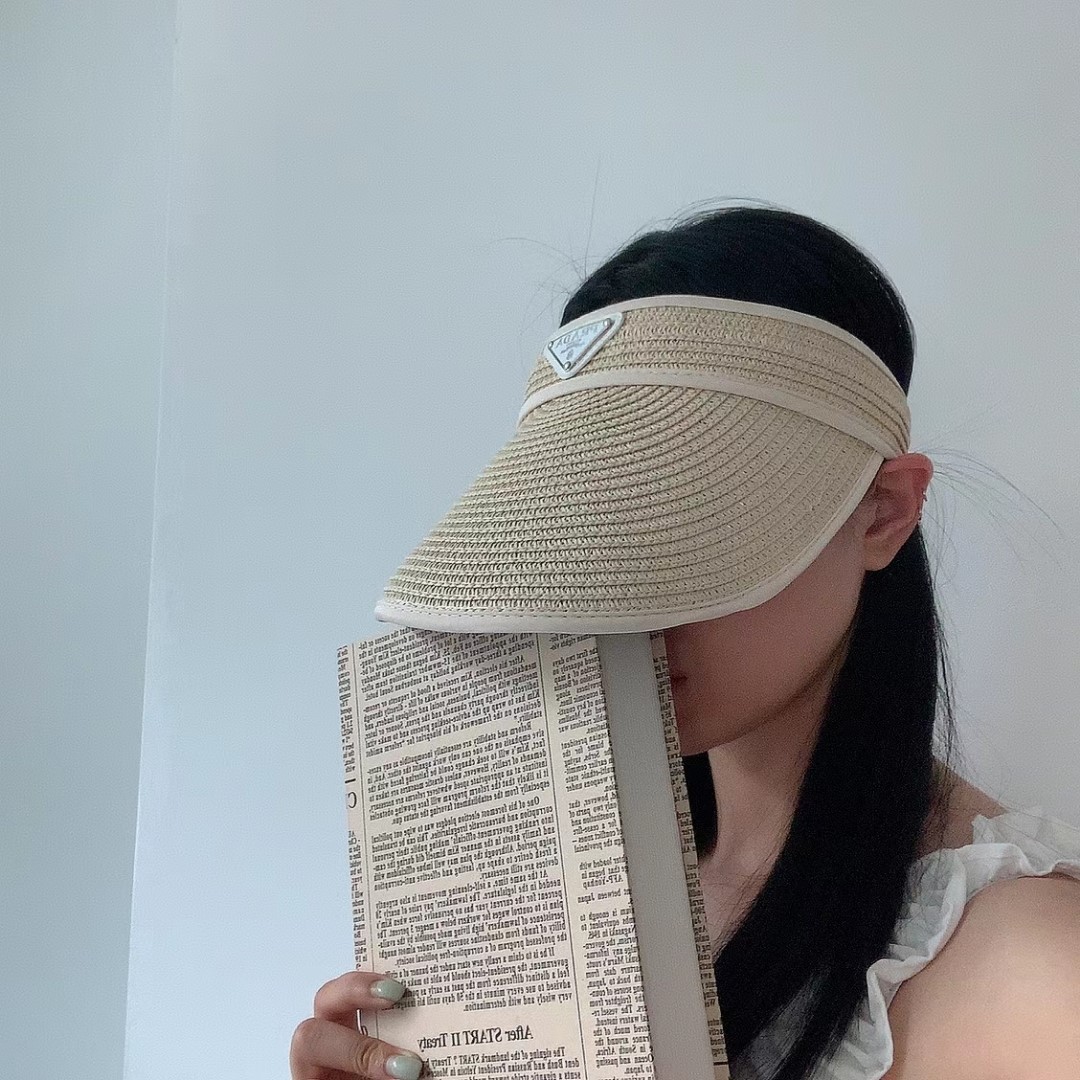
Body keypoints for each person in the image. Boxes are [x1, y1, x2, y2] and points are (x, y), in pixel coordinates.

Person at [291, 206, 1080, 1080]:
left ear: (883, 514)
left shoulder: (1029, 975)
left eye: (683, 526)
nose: (620, 603)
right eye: (586, 536)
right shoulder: (564, 907)